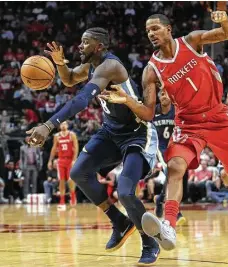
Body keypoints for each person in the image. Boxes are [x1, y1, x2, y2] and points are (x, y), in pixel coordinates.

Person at [101, 12, 228, 251]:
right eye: (148, 31)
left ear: (168, 29)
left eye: (155, 28)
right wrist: (127, 101)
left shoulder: (193, 41)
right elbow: (148, 113)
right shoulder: (151, 71)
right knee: (174, 168)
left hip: (217, 118)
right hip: (187, 123)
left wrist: (223, 18)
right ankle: (169, 226)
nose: (151, 33)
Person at [26, 27, 160, 265]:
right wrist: (59, 64)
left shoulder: (110, 66)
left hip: (136, 133)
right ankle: (120, 222)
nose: (80, 46)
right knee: (78, 173)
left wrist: (48, 125)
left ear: (99, 46)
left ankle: (149, 241)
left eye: (85, 42)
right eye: (80, 42)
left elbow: (81, 99)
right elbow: (68, 79)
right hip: (110, 132)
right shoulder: (90, 66)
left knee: (126, 191)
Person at [152, 90, 185, 224]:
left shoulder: (177, 111)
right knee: (172, 175)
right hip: (160, 149)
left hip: (175, 147)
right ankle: (176, 212)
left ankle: (160, 199)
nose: (164, 96)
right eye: (161, 94)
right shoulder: (153, 111)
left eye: (167, 94)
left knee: (175, 177)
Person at [47, 121, 78, 210]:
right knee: (61, 181)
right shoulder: (56, 136)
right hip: (61, 160)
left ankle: (72, 195)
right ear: (59, 126)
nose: (63, 125)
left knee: (70, 179)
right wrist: (50, 160)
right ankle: (62, 201)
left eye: (65, 124)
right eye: (61, 124)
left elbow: (76, 148)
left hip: (70, 160)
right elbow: (53, 149)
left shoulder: (72, 135)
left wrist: (74, 160)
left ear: (67, 126)